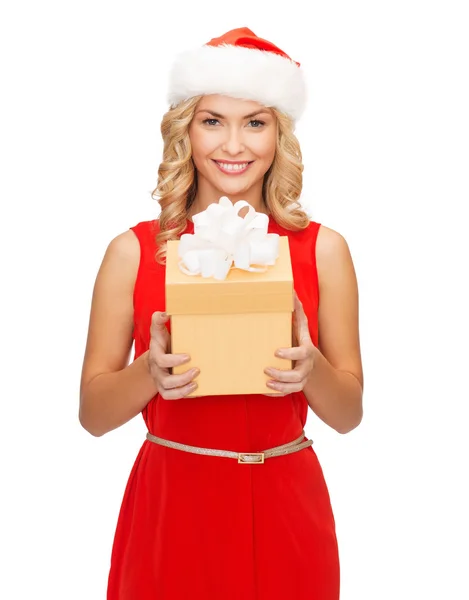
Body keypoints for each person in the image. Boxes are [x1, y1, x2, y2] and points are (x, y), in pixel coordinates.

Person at [79, 27, 364, 600]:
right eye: (213, 121)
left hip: (288, 504)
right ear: (186, 128)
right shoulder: (132, 252)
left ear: (279, 134)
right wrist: (148, 374)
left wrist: (312, 370)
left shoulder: (324, 250)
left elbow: (349, 412)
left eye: (254, 123)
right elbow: (93, 413)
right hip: (174, 506)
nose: (234, 145)